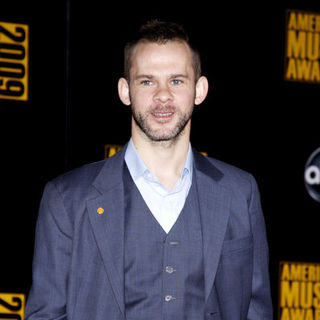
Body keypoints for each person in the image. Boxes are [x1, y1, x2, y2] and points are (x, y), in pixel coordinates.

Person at [25, 20, 273, 319]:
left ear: (200, 89)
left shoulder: (239, 192)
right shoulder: (66, 199)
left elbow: (255, 310)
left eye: (177, 81)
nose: (163, 95)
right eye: (147, 81)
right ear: (125, 90)